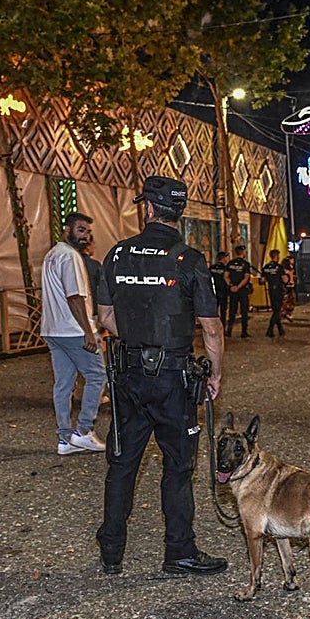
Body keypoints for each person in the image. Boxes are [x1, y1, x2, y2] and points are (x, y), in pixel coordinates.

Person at [94, 175, 227, 577]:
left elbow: (104, 318)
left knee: (122, 465)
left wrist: (138, 335)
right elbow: (211, 329)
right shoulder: (189, 259)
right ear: (178, 211)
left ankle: (112, 551)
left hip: (130, 376)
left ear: (148, 208)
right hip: (173, 378)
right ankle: (179, 553)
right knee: (178, 466)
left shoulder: (116, 256)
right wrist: (216, 375)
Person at [40, 212, 106, 456]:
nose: (86, 235)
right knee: (98, 375)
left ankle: (65, 438)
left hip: (52, 329)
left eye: (88, 231)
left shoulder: (52, 255)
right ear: (66, 230)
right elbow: (75, 297)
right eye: (80, 230)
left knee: (64, 384)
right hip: (73, 330)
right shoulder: (70, 257)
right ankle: (84, 431)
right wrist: (88, 332)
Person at [223, 244, 253, 338]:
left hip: (233, 291)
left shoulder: (230, 263)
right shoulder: (246, 264)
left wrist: (231, 286)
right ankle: (244, 331)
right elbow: (246, 278)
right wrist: (239, 287)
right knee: (244, 311)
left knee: (232, 311)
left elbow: (226, 276)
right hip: (243, 291)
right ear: (243, 252)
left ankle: (229, 331)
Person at [260, 248, 288, 338]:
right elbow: (285, 279)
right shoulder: (279, 267)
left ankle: (280, 330)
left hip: (271, 290)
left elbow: (262, 280)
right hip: (279, 290)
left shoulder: (266, 267)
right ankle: (270, 329)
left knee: (275, 309)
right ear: (277, 256)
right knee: (277, 310)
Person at [210, 250, 230, 329]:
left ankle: (213, 327)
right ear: (224, 258)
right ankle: (222, 328)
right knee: (223, 311)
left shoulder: (212, 267)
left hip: (213, 291)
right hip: (223, 291)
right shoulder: (225, 268)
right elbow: (227, 278)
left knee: (213, 311)